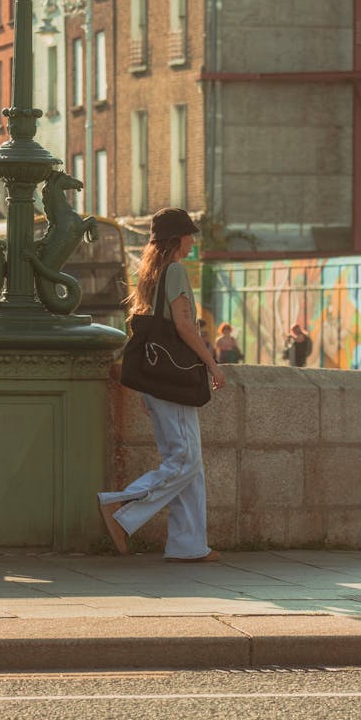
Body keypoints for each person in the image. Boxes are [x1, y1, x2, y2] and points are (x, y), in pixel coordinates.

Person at [98, 207, 227, 562]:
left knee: (187, 461)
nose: (192, 241)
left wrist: (148, 387)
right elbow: (185, 326)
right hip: (176, 380)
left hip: (157, 381)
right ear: (176, 239)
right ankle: (122, 507)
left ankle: (188, 544)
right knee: (185, 459)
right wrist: (212, 364)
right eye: (188, 235)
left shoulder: (151, 275)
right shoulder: (176, 272)